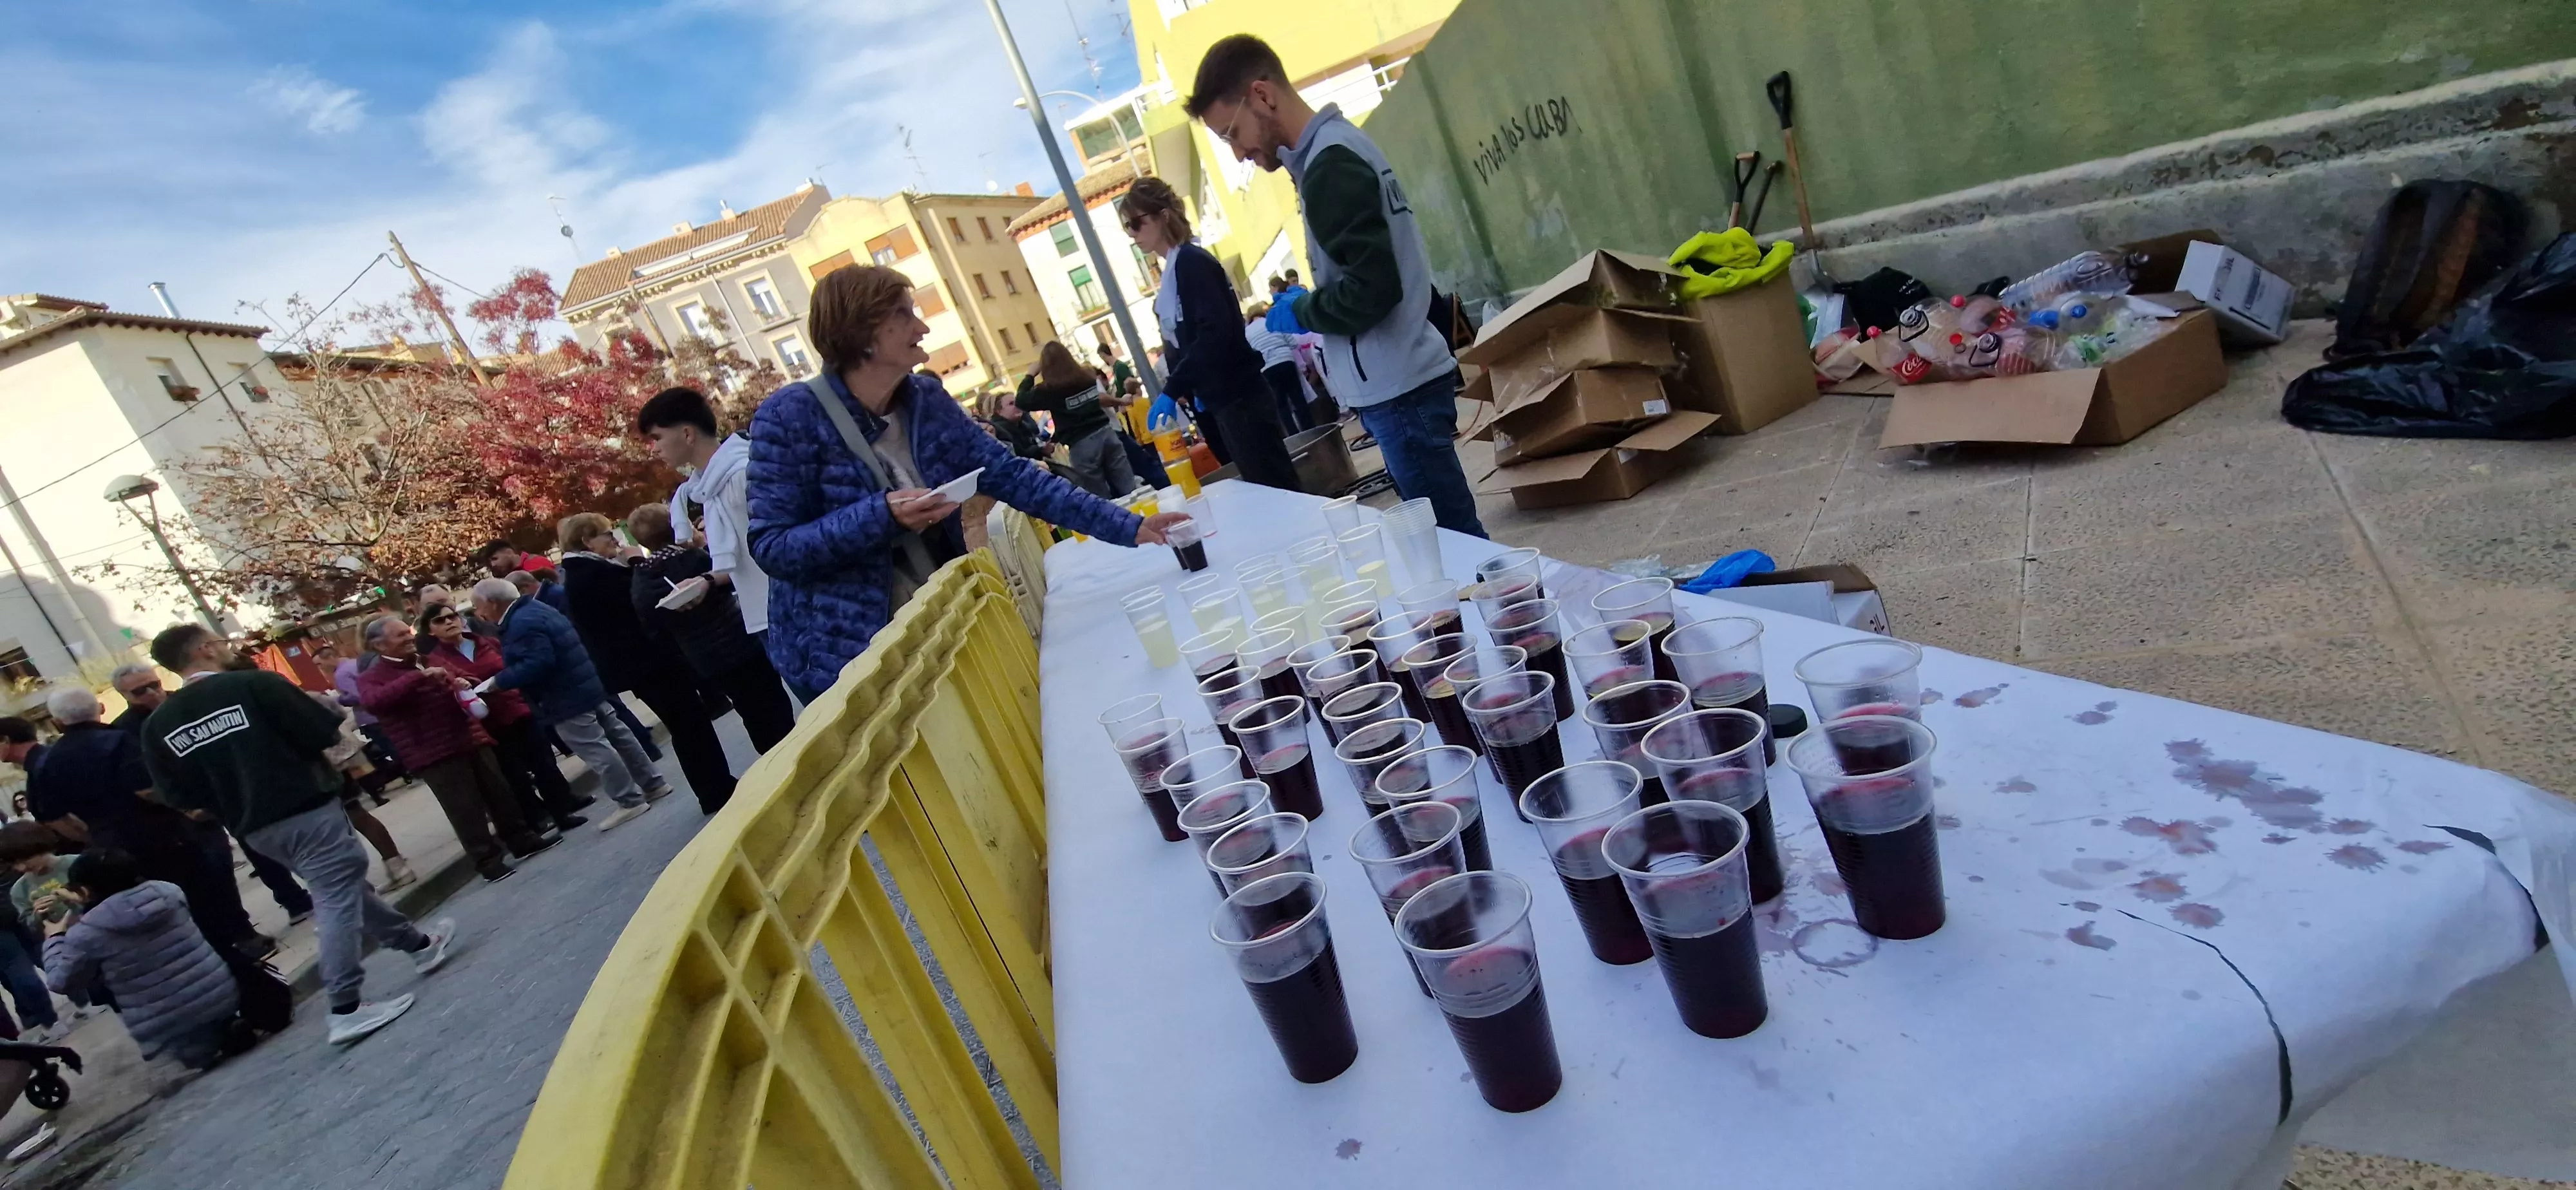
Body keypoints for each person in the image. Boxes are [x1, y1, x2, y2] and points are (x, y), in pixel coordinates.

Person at [746, 263, 1190, 703]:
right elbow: (772, 546)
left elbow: (1015, 477)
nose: (921, 327)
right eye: (903, 315)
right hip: (841, 658)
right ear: (861, 331)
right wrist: (881, 516)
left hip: (934, 626)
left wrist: (1127, 525)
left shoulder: (925, 399)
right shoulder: (790, 416)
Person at [1189, 35, 1490, 537]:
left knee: (1457, 545)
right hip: (1400, 384)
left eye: (1232, 133)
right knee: (1453, 538)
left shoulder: (1331, 163)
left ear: (1262, 96)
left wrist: (1303, 312)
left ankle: (1512, 611)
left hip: (1400, 387)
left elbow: (1372, 291)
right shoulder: (1336, 151)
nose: (1240, 152)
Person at [138, 624, 453, 1046]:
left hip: (253, 828)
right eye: (221, 643)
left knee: (341, 886)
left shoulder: (159, 725)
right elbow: (321, 730)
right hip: (303, 806)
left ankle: (418, 944)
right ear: (204, 651)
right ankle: (346, 1006)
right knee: (336, 896)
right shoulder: (254, 684)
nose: (227, 648)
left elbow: (177, 793)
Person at [24, 688, 273, 959]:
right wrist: (186, 808)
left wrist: (91, 835)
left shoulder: (50, 762)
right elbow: (146, 788)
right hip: (161, 833)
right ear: (99, 709)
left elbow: (54, 816)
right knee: (203, 893)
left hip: (110, 846)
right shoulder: (119, 741)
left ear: (57, 721)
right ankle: (235, 947)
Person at [1116, 177, 1304, 494]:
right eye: (1127, 228)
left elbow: (1214, 332)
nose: (1133, 235)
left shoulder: (1191, 262)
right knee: (1264, 487)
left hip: (1238, 394)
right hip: (1223, 397)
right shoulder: (1177, 269)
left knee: (1274, 485)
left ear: (1163, 216)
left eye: (1136, 223)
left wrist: (1174, 387)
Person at [554, 513, 736, 814]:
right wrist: (638, 563)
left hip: (643, 664)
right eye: (606, 534)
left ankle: (717, 785)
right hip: (646, 664)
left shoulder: (587, 570)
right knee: (688, 723)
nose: (614, 539)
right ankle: (715, 789)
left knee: (690, 722)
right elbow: (637, 599)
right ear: (586, 541)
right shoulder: (588, 574)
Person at [356, 615, 556, 882]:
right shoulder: (373, 677)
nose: (409, 638)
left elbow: (464, 676)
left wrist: (464, 682)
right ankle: (487, 860)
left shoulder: (426, 659)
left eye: (408, 632)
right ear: (379, 646)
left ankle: (522, 840)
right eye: (400, 635)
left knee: (500, 792)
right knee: (465, 808)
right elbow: (375, 702)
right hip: (433, 751)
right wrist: (419, 679)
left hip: (469, 736)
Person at [471, 577, 668, 831]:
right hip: (585, 685)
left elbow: (538, 663)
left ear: (493, 603)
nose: (479, 614)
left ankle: (629, 800)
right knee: (620, 736)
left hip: (562, 696)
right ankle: (653, 783)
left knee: (597, 749)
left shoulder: (520, 623)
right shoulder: (537, 609)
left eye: (479, 607)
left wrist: (498, 681)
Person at [39, 849, 241, 1069]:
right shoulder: (168, 891)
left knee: (194, 1055)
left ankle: (205, 1048)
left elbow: (62, 981)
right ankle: (226, 1028)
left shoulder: (86, 933)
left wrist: (54, 938)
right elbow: (120, 909)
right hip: (221, 991)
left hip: (166, 1020)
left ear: (85, 890)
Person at [625, 504, 797, 753]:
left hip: (704, 658)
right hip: (740, 640)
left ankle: (771, 752)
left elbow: (652, 625)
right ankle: (791, 743)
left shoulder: (642, 580)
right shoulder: (694, 559)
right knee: (772, 698)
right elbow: (729, 581)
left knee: (747, 707)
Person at [419, 605, 591, 835]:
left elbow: (513, 666)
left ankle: (562, 810)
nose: (450, 622)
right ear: (431, 631)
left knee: (544, 765)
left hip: (518, 709)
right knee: (514, 775)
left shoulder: (486, 642)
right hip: (487, 722)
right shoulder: (435, 660)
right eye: (440, 621)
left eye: (452, 616)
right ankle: (537, 818)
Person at [636, 386, 777, 647]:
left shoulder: (741, 476)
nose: (654, 449)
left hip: (786, 615)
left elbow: (781, 550)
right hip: (765, 617)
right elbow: (746, 557)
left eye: (657, 438)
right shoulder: (708, 487)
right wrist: (706, 580)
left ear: (687, 434)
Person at [1016, 341, 1138, 498]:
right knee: (1129, 486)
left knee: (1099, 498)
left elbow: (1021, 400)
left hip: (1082, 445)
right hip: (1106, 433)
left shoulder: (1049, 390)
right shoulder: (1086, 377)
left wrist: (1030, 375)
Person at [0, 827, 62, 1044]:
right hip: (20, 904)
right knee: (43, 953)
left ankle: (50, 1022)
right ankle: (85, 997)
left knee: (18, 970)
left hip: (12, 915)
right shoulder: (7, 843)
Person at [1244, 301, 1316, 434]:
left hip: (1267, 368)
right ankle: (1310, 430)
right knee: (1298, 398)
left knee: (1281, 404)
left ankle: (1293, 434)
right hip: (1285, 361)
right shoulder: (1273, 323)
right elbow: (1293, 343)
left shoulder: (1247, 332)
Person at [980, 390, 1050, 461]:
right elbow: (1020, 455)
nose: (1017, 405)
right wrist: (1042, 450)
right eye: (1011, 404)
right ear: (999, 411)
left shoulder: (1021, 425)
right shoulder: (1001, 431)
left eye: (1017, 402)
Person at [480, 541, 556, 581]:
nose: (493, 565)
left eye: (495, 559)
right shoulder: (508, 578)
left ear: (509, 552)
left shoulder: (535, 563)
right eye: (490, 563)